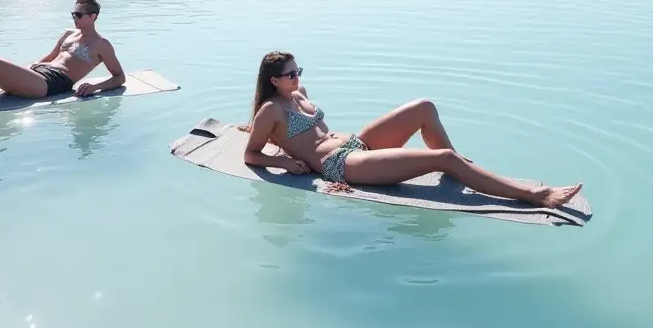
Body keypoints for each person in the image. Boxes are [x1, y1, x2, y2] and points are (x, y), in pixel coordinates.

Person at [243, 52, 583, 208]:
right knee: (445, 158)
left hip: (357, 145)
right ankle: (534, 196)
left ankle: (456, 169)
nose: (297, 78)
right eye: (291, 75)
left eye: (298, 70)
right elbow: (251, 154)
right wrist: (286, 163)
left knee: (424, 107)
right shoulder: (271, 110)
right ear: (275, 80)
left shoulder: (299, 94)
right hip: (340, 166)